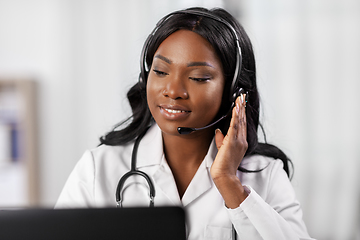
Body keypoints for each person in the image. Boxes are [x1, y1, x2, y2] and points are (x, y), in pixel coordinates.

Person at [56, 7, 314, 240]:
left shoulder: (265, 175)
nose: (173, 90)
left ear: (235, 92)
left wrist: (230, 185)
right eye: (160, 72)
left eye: (199, 77)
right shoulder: (97, 169)